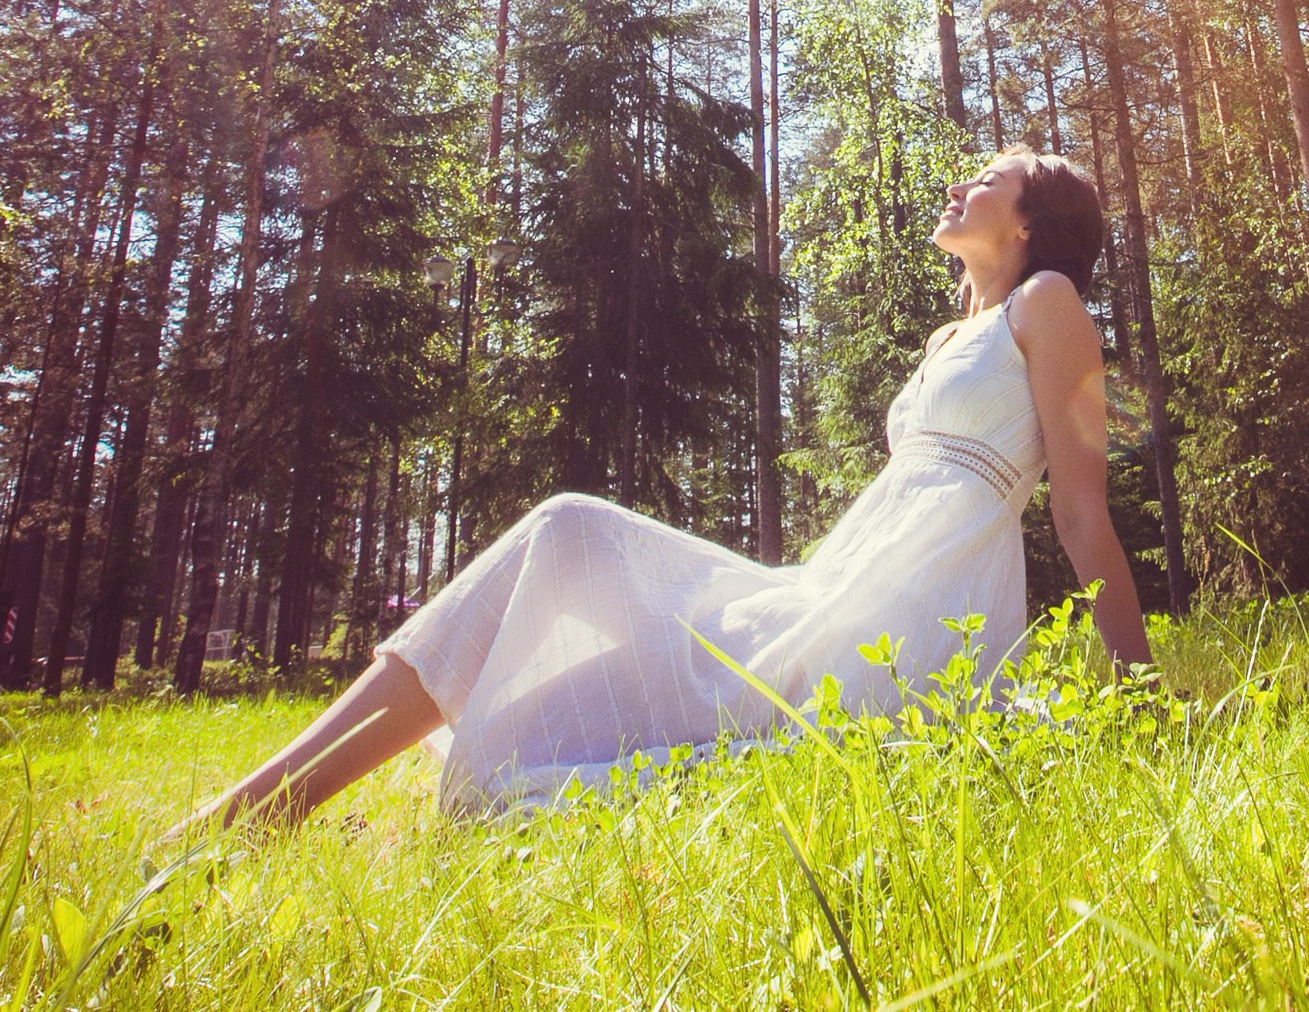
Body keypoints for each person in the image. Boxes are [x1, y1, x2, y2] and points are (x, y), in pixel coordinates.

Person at [199, 149, 1151, 825]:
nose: (958, 183)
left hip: (913, 621)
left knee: (569, 527)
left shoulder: (1047, 304)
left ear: (1029, 220)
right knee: (552, 644)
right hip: (834, 589)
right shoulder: (950, 337)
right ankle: (284, 796)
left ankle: (266, 804)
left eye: (987, 178)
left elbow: (1078, 508)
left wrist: (1137, 690)